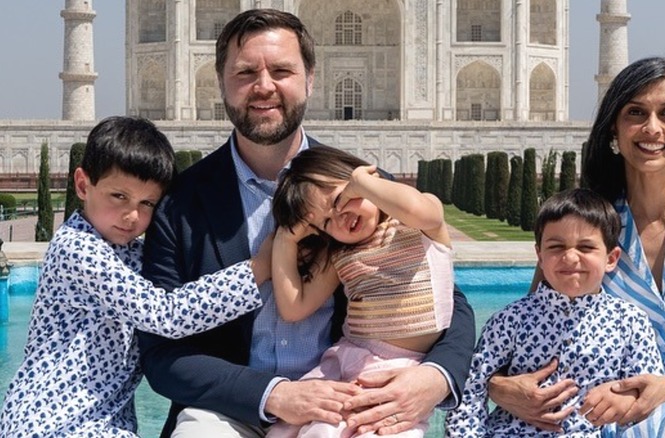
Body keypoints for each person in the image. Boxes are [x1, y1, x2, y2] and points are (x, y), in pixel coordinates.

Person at [137, 9, 475, 438]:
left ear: (310, 79)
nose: (264, 86)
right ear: (220, 80)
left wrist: (435, 377)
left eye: (281, 70)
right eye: (245, 72)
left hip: (345, 396)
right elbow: (161, 353)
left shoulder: (365, 190)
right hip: (232, 407)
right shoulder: (181, 205)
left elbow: (444, 293)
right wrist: (272, 394)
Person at [489, 57, 665, 436]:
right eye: (636, 112)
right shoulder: (587, 229)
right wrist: (498, 387)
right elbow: (532, 325)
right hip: (605, 405)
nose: (652, 128)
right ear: (615, 126)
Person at [0, 116, 272, 437]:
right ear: (83, 185)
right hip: (55, 421)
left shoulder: (126, 251)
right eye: (119, 197)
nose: (132, 216)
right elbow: (165, 313)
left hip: (102, 420)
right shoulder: (78, 248)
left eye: (147, 204)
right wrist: (260, 268)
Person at [266, 146, 454, 437]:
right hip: (347, 358)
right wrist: (285, 240)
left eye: (341, 199)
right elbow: (294, 308)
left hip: (400, 372)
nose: (339, 217)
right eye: (326, 223)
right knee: (309, 430)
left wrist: (365, 183)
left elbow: (417, 209)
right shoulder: (340, 254)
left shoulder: (418, 225)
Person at [445, 188, 663, 437]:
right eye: (557, 247)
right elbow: (471, 391)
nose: (570, 257)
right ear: (540, 255)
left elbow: (650, 391)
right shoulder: (511, 320)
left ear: (611, 258)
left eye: (586, 247)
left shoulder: (630, 322)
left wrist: (625, 402)